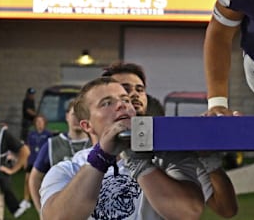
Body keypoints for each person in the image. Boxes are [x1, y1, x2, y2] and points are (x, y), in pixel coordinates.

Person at [39, 77, 230, 219]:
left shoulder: (169, 158)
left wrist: (138, 161)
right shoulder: (67, 170)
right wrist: (101, 157)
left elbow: (188, 213)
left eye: (125, 100)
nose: (122, 105)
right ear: (87, 125)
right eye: (107, 103)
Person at [100, 61, 239, 217]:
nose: (134, 94)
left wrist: (209, 159)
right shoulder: (85, 161)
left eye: (140, 89)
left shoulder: (171, 155)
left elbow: (226, 209)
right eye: (125, 89)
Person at [28, 99, 92, 210]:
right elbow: (34, 179)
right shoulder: (52, 144)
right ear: (67, 116)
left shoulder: (97, 144)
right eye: (74, 114)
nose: (77, 118)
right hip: (61, 209)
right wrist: (42, 211)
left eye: (81, 114)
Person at [22, 114, 52, 210]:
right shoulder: (31, 134)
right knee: (27, 180)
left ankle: (43, 199)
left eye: (41, 122)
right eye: (37, 122)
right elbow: (27, 147)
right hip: (32, 159)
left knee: (43, 181)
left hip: (42, 161)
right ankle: (26, 200)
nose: (39, 123)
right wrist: (26, 160)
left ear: (44, 123)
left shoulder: (48, 134)